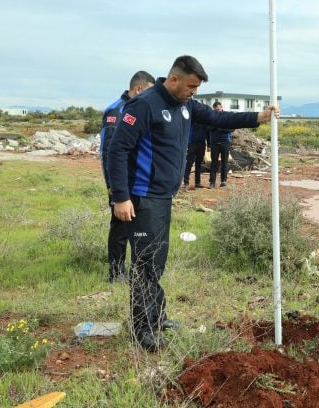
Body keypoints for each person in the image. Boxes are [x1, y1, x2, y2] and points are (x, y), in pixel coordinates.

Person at [108, 55, 279, 352]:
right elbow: (117, 150)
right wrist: (120, 197)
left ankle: (157, 317)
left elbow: (217, 119)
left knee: (156, 261)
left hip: (163, 197)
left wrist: (256, 118)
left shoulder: (184, 105)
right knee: (145, 264)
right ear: (173, 80)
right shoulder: (144, 105)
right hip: (142, 197)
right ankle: (143, 330)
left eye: (196, 88)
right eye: (191, 86)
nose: (194, 92)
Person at [100, 70, 155, 282]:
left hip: (138, 180)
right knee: (120, 228)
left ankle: (137, 271)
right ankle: (116, 273)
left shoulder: (139, 109)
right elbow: (109, 152)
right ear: (138, 89)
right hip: (120, 182)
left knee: (138, 228)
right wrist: (113, 187)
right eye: (148, 92)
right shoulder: (117, 110)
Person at [208, 101, 234, 188]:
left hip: (225, 142)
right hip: (214, 143)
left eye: (218, 109)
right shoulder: (211, 117)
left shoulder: (227, 116)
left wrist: (220, 128)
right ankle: (212, 182)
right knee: (214, 163)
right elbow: (208, 129)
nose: (217, 111)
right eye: (216, 110)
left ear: (221, 107)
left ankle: (223, 181)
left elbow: (232, 128)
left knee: (224, 162)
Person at [183, 121, 209, 189]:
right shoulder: (192, 119)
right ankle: (186, 182)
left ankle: (198, 183)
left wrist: (209, 145)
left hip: (202, 144)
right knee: (189, 162)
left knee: (199, 164)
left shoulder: (205, 121)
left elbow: (208, 133)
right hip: (192, 143)